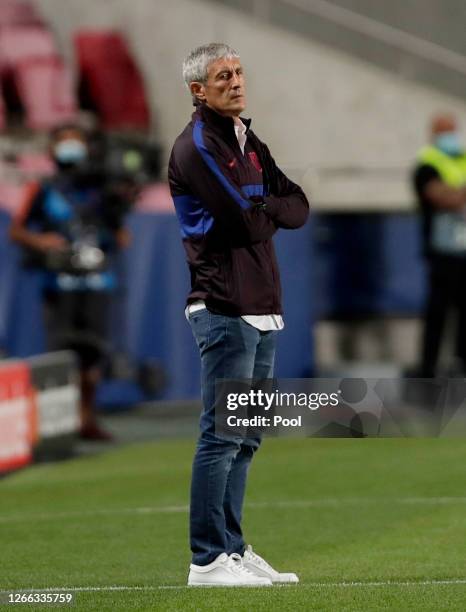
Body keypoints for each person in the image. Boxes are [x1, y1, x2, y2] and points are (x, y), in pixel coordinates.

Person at [168, 43, 309, 586]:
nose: (235, 81)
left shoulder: (246, 139)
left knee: (247, 435)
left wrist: (264, 205)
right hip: (225, 304)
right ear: (198, 90)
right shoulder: (197, 144)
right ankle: (206, 560)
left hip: (261, 304)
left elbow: (296, 203)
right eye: (221, 76)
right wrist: (267, 207)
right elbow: (245, 225)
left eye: (238, 71)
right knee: (222, 435)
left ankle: (232, 547)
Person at [9, 123, 131, 440]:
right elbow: (17, 230)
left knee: (92, 357)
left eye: (76, 141)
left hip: (97, 284)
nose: (71, 148)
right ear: (51, 150)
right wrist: (42, 243)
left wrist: (119, 210)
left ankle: (86, 419)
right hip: (58, 285)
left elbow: (121, 238)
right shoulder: (43, 190)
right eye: (64, 142)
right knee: (60, 356)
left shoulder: (102, 191)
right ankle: (55, 426)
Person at [413, 113, 466, 377]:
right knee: (438, 315)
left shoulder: (462, 160)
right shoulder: (427, 165)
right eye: (445, 131)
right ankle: (428, 375)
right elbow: (445, 198)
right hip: (442, 253)